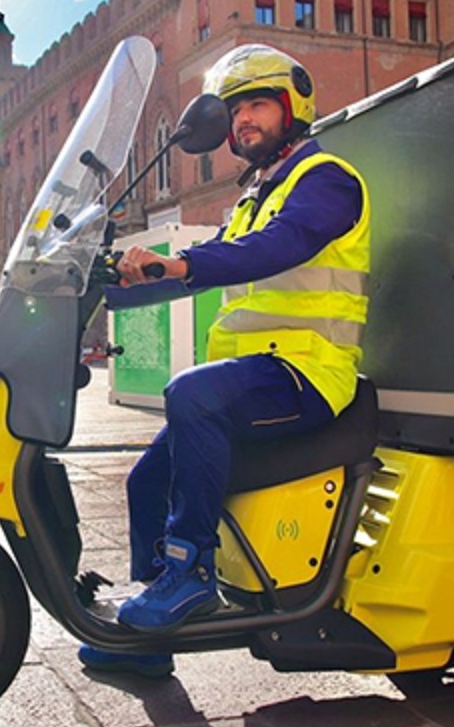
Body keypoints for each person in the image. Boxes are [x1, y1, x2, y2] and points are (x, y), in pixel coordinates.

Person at [80, 44, 371, 676]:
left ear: (294, 106)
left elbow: (280, 247)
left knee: (191, 393)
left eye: (258, 105)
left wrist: (183, 263)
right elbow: (201, 267)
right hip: (257, 378)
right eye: (235, 111)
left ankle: (190, 572)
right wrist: (98, 284)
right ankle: (150, 638)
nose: (243, 121)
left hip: (309, 375)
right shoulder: (252, 197)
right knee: (146, 481)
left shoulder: (326, 181)